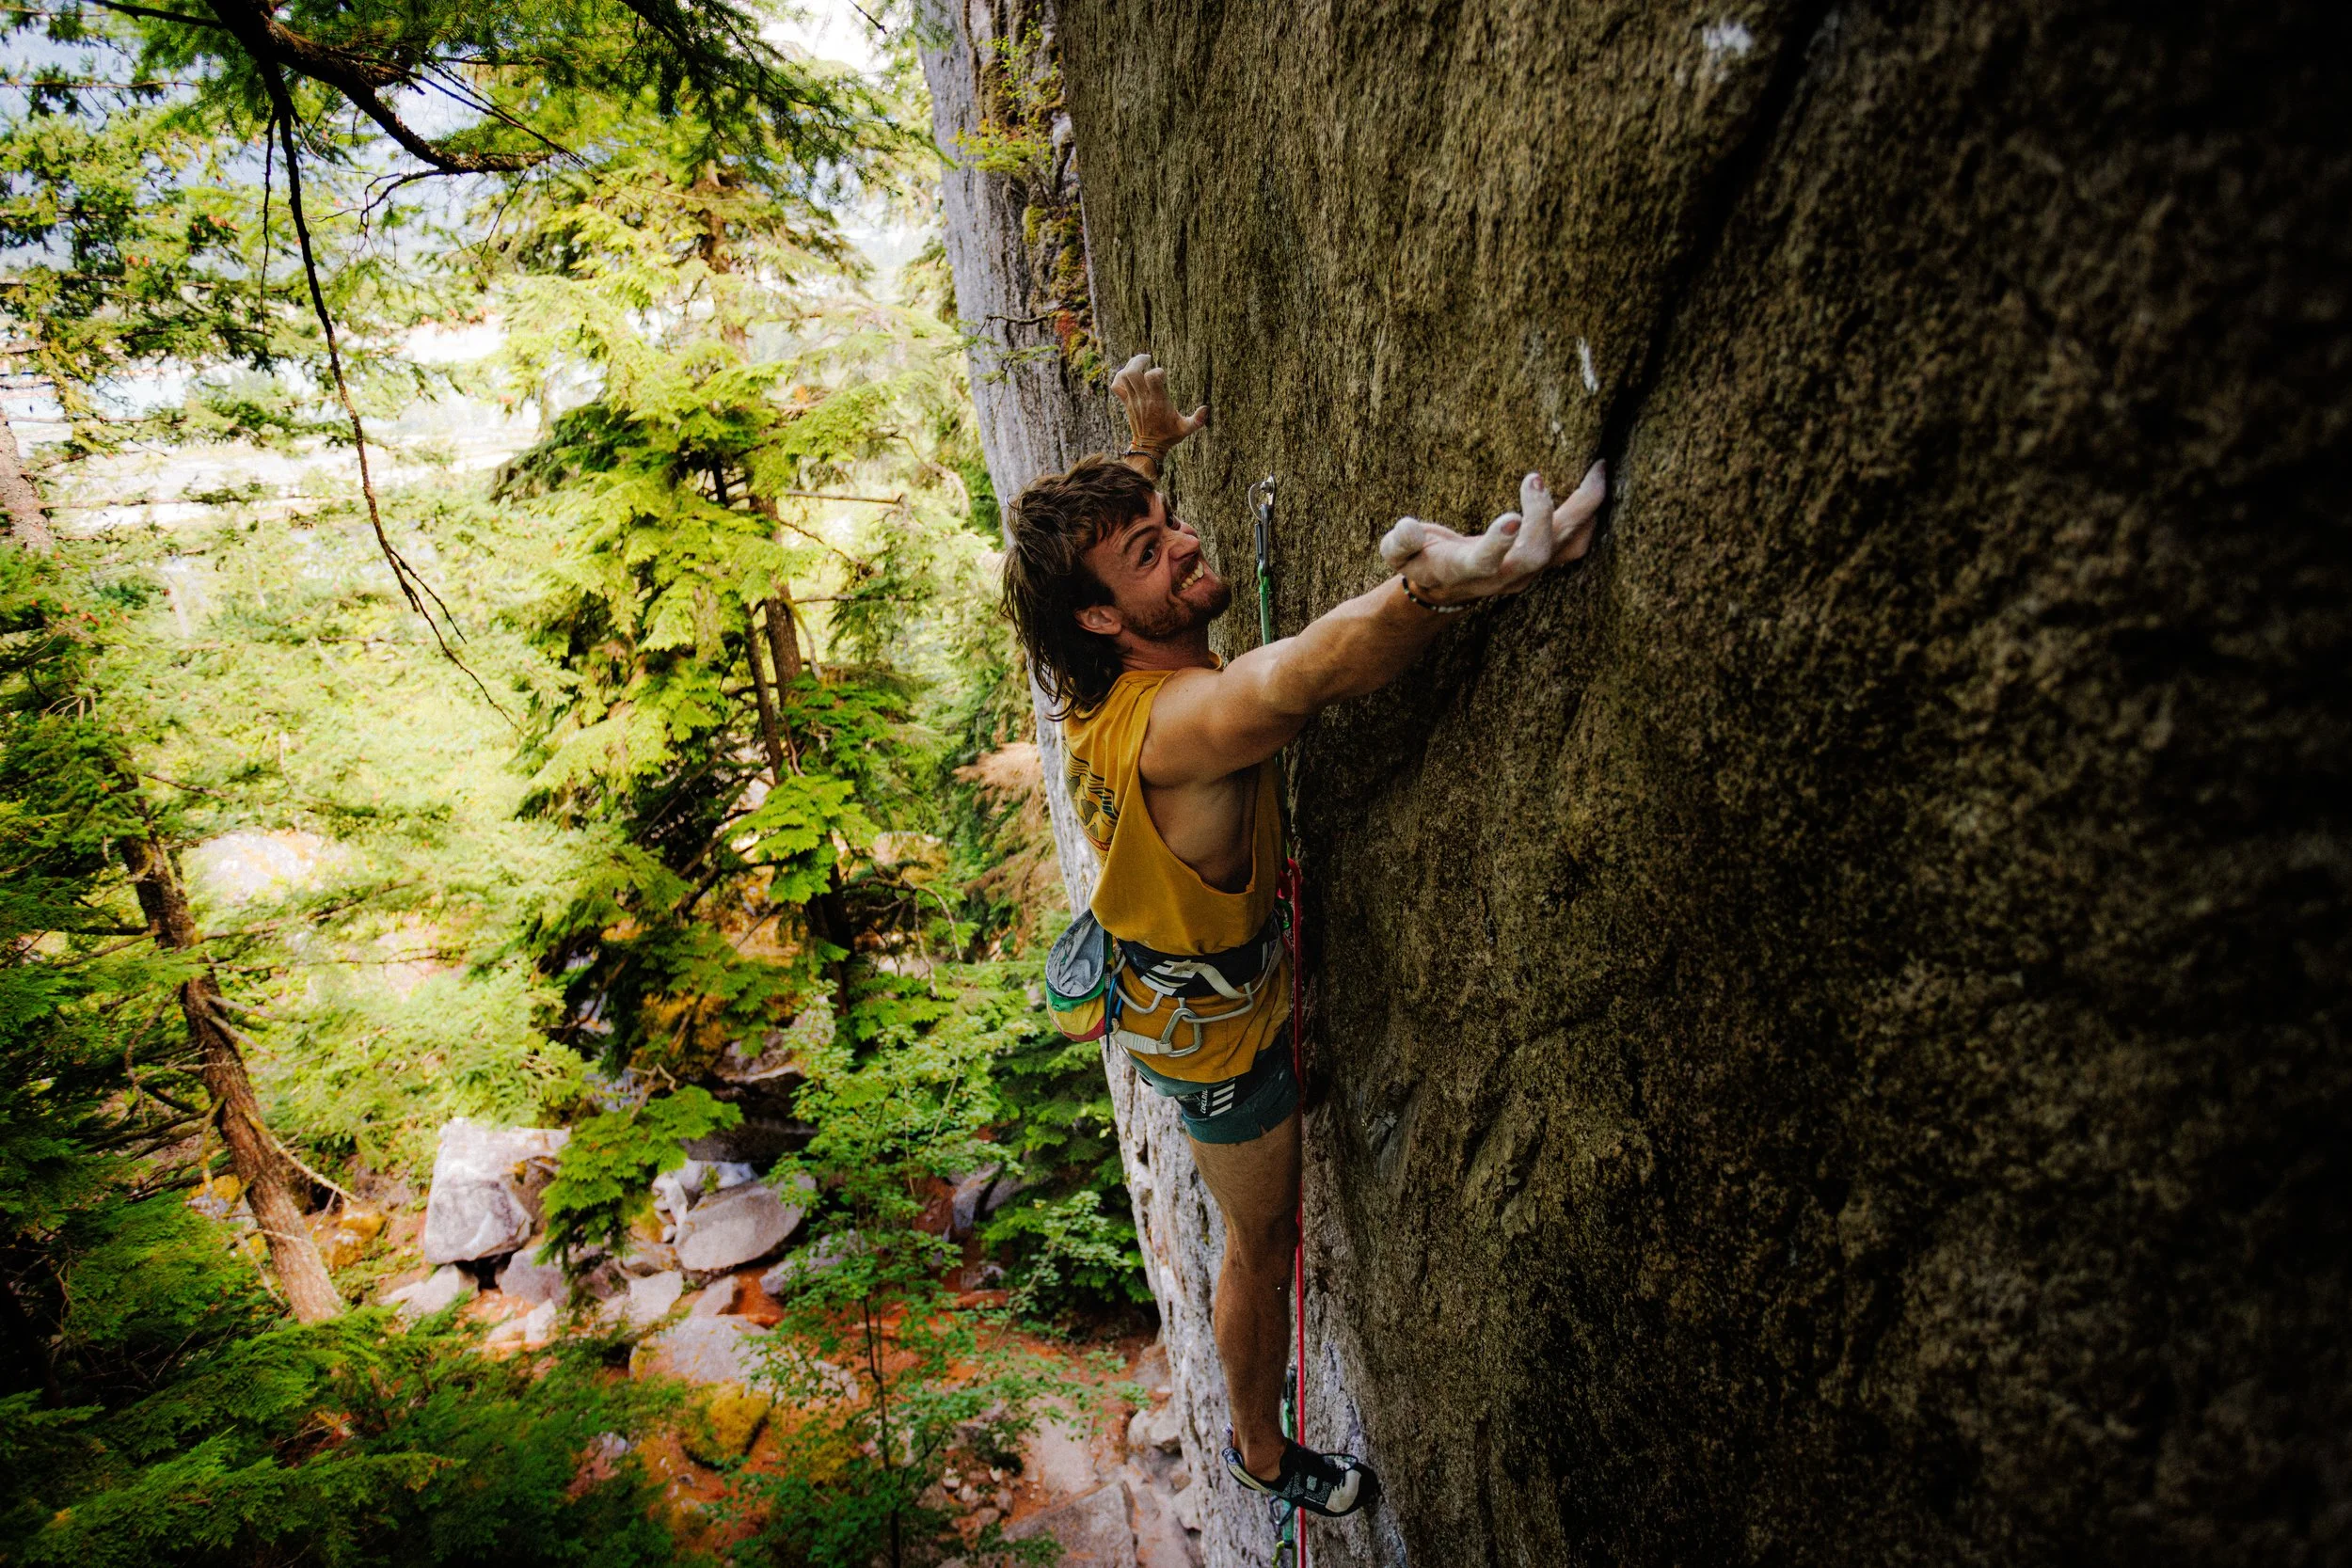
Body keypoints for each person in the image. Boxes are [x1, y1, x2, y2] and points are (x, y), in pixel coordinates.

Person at [1002, 352, 1606, 1520]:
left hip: (1175, 949)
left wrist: (1146, 451)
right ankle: (1259, 1452)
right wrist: (1439, 587)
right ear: (1102, 616)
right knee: (1261, 1236)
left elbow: (1123, 558)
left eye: (1166, 523)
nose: (1184, 543)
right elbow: (1294, 677)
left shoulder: (1096, 657)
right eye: (1152, 551)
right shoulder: (1177, 723)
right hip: (1215, 1039)